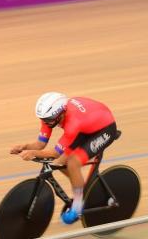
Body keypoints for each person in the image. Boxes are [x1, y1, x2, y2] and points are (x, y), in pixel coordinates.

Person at [11, 92, 118, 224]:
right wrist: (25, 146)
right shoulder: (49, 117)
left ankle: (78, 206)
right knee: (59, 163)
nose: (45, 123)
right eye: (43, 119)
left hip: (105, 129)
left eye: (48, 120)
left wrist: (33, 153)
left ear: (60, 114)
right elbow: (40, 144)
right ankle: (80, 186)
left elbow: (56, 153)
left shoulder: (72, 123)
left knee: (73, 162)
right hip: (87, 125)